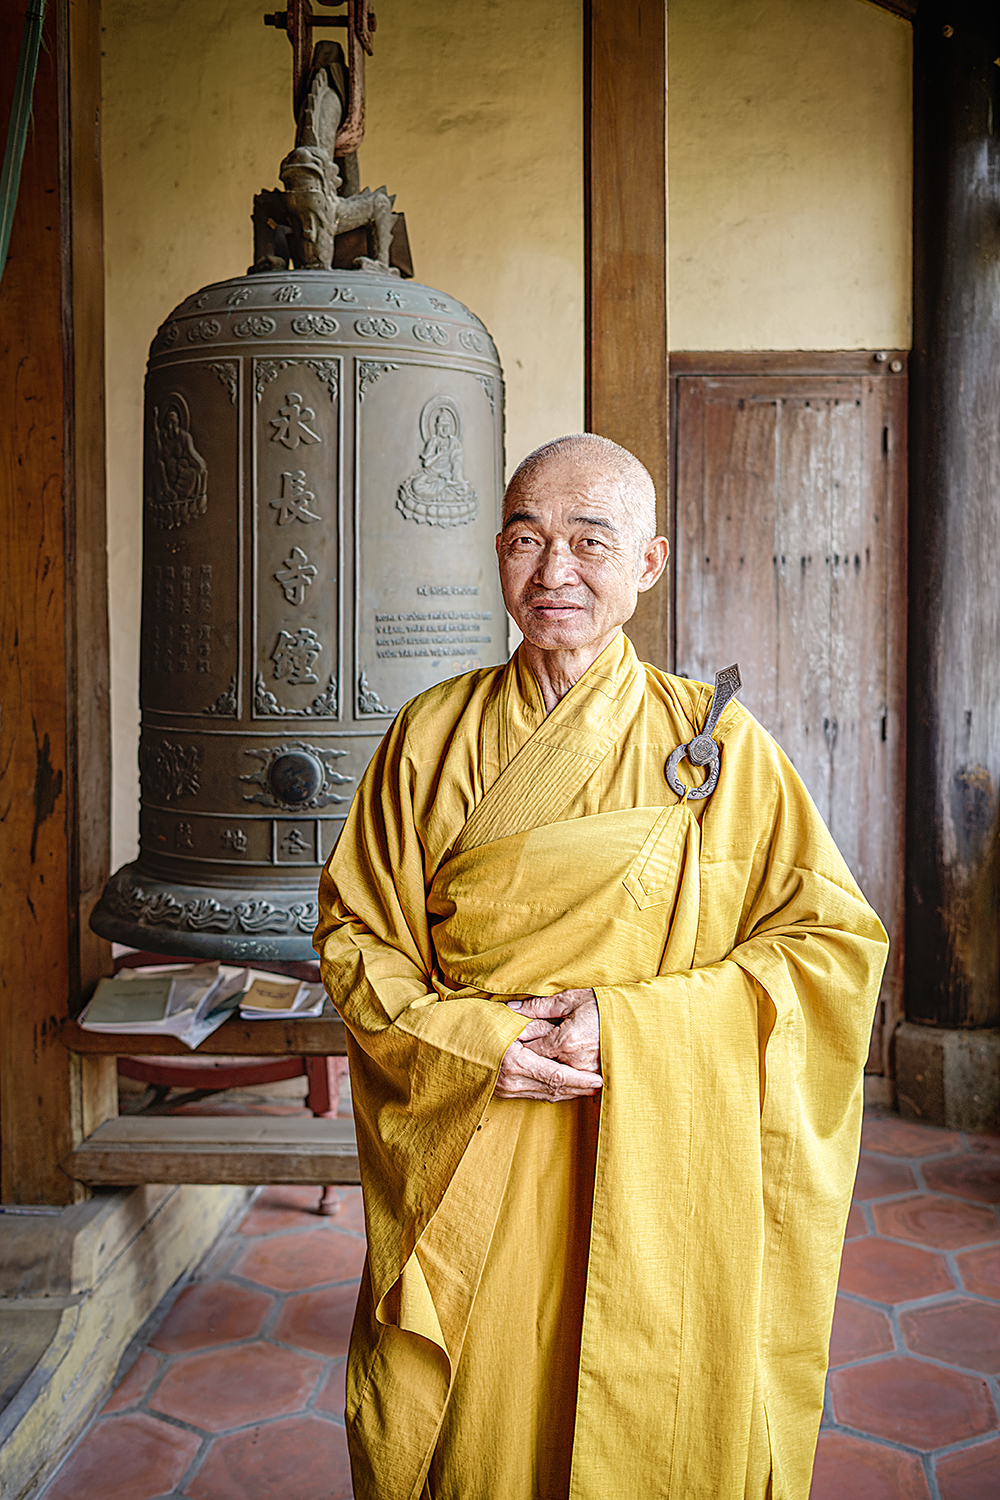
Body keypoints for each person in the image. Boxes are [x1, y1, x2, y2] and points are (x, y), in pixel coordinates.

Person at [314, 433, 888, 1500]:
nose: (554, 572)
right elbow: (358, 940)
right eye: (527, 539)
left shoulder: (716, 746)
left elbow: (830, 947)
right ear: (497, 554)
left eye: (589, 541)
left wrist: (628, 1026)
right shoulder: (425, 738)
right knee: (478, 1430)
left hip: (659, 1164)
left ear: (648, 565)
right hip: (477, 1143)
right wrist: (479, 1039)